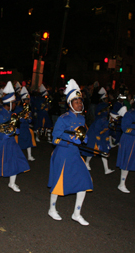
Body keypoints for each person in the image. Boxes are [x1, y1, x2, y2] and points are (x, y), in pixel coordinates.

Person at [48, 79, 93, 226]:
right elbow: (54, 139)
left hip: (75, 155)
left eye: (81, 101)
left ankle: (76, 213)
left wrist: (83, 139)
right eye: (76, 102)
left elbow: (84, 136)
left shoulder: (81, 117)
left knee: (84, 182)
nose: (79, 104)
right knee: (58, 183)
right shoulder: (63, 118)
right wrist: (69, 140)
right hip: (63, 154)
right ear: (69, 104)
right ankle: (52, 209)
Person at [0, 81, 30, 192]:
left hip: (10, 141)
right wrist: (1, 135)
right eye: (14, 103)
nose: (15, 104)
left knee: (14, 160)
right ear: (9, 103)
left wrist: (17, 129)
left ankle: (12, 183)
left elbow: (14, 126)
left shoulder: (12, 114)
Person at [14, 86, 36, 161]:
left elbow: (30, 118)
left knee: (28, 140)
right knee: (19, 142)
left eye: (28, 99)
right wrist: (22, 119)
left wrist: (29, 119)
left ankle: (29, 155)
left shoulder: (28, 107)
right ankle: (18, 156)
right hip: (20, 127)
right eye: (26, 100)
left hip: (26, 127)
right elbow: (15, 118)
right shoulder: (18, 108)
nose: (28, 101)